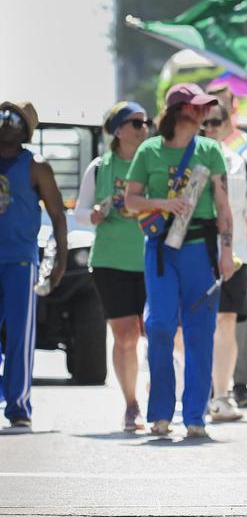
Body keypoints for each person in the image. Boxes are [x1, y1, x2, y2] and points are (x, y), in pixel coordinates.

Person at [125, 84, 234, 439]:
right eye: (196, 107)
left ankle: (195, 417)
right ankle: (159, 414)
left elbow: (222, 205)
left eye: (205, 107)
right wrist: (163, 203)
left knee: (201, 332)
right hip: (160, 251)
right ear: (178, 112)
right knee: (159, 327)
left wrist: (227, 251)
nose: (204, 113)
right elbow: (131, 200)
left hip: (200, 251)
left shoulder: (211, 150)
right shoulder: (149, 151)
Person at [73, 102, 150, 431]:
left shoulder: (153, 163)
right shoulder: (99, 167)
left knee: (158, 332)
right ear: (118, 130)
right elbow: (80, 211)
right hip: (110, 260)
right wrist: (94, 215)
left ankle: (158, 388)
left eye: (146, 122)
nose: (144, 128)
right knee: (125, 335)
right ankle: (131, 404)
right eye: (136, 123)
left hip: (151, 258)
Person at [205, 83, 247, 408]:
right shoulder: (182, 155)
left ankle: (236, 385)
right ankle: (203, 383)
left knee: (234, 322)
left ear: (230, 112)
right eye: (204, 117)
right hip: (198, 255)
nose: (209, 125)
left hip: (240, 252)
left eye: (216, 117)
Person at [0, 101, 67, 430]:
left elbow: (58, 216)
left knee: (18, 335)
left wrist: (60, 262)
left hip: (20, 261)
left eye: (14, 119)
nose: (7, 123)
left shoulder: (36, 166)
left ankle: (18, 405)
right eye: (2, 117)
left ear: (25, 129)